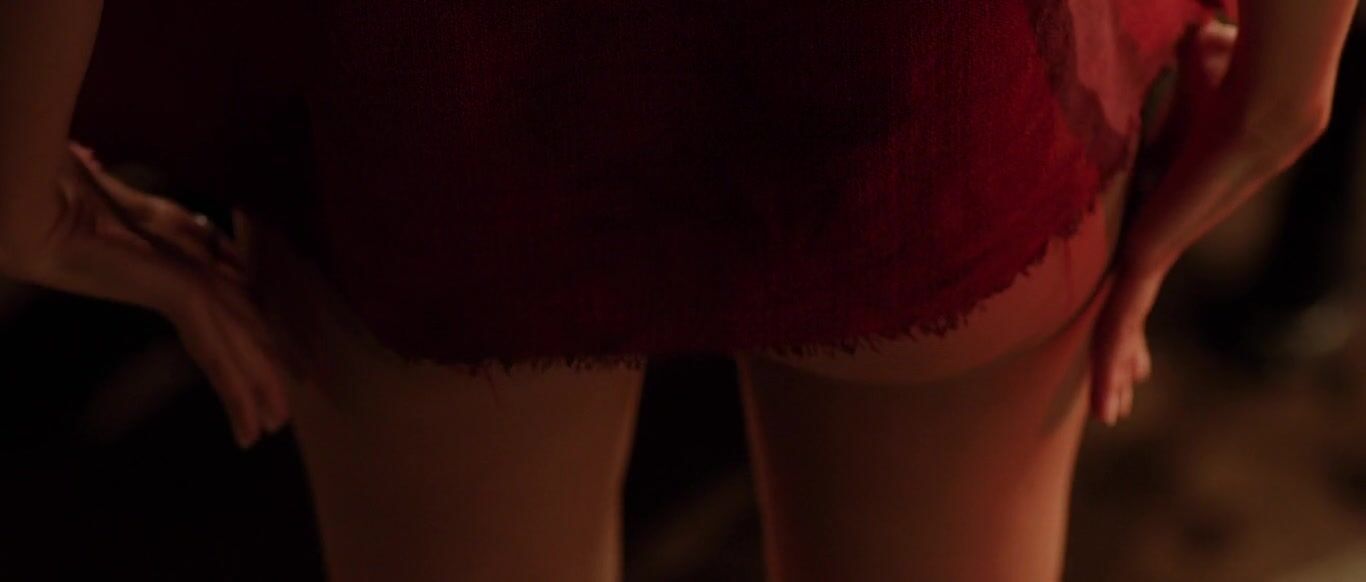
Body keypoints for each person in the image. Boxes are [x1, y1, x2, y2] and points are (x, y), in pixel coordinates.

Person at [1, 1, 1356, 580]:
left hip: (431, 78)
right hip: (928, 65)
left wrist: (13, 154)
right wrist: (1294, 63)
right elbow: (1283, 89)